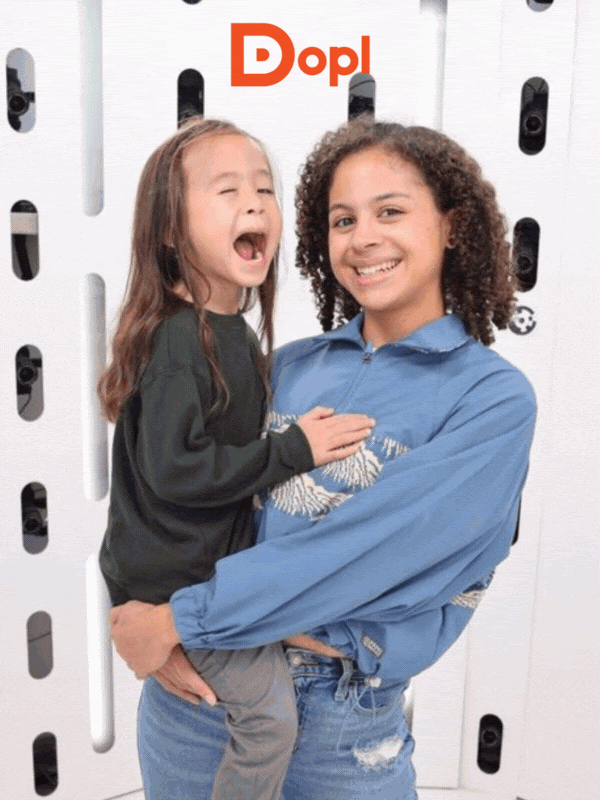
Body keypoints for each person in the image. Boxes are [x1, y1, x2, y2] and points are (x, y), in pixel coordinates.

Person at [111, 117, 537, 800]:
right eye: (343, 220)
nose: (363, 238)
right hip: (199, 697)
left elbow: (366, 552)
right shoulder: (281, 367)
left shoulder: (491, 399)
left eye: (390, 212)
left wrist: (175, 619)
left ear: (452, 225)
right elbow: (161, 487)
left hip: (338, 715)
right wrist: (135, 609)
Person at [97, 116, 375, 800]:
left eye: (263, 189)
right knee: (270, 722)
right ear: (170, 231)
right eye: (228, 191)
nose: (254, 204)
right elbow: (176, 470)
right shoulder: (179, 342)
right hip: (183, 590)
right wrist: (292, 450)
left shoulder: (231, 335)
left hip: (200, 584)